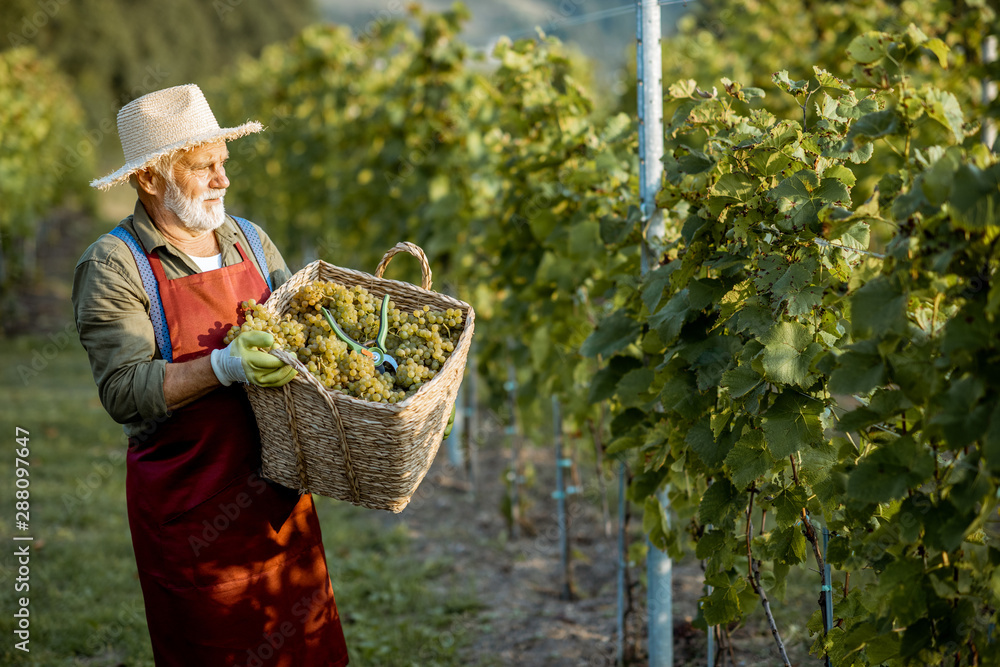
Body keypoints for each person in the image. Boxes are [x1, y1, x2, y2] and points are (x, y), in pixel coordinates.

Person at [72, 83, 350, 667]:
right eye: (204, 167)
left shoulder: (250, 241)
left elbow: (310, 342)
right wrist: (223, 366)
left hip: (279, 505)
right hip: (192, 516)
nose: (224, 180)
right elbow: (124, 391)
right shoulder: (114, 264)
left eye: (223, 163)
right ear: (150, 178)